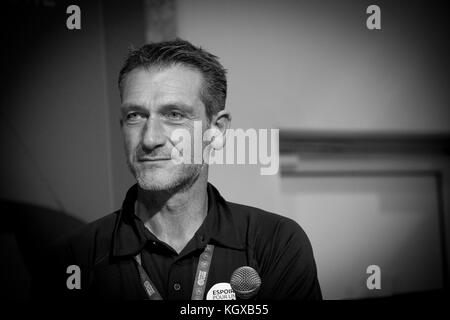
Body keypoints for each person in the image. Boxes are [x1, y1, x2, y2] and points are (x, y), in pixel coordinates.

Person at [33, 39, 322, 300]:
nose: (150, 139)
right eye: (135, 116)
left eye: (174, 115)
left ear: (217, 131)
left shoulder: (276, 244)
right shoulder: (73, 259)